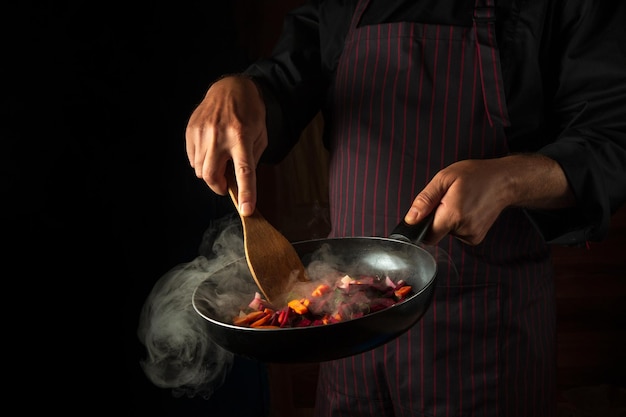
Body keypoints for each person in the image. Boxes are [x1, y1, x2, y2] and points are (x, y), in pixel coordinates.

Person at [185, 0, 626, 415]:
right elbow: (286, 80)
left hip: (487, 342)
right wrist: (242, 90)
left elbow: (612, 142)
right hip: (345, 331)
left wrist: (510, 179)